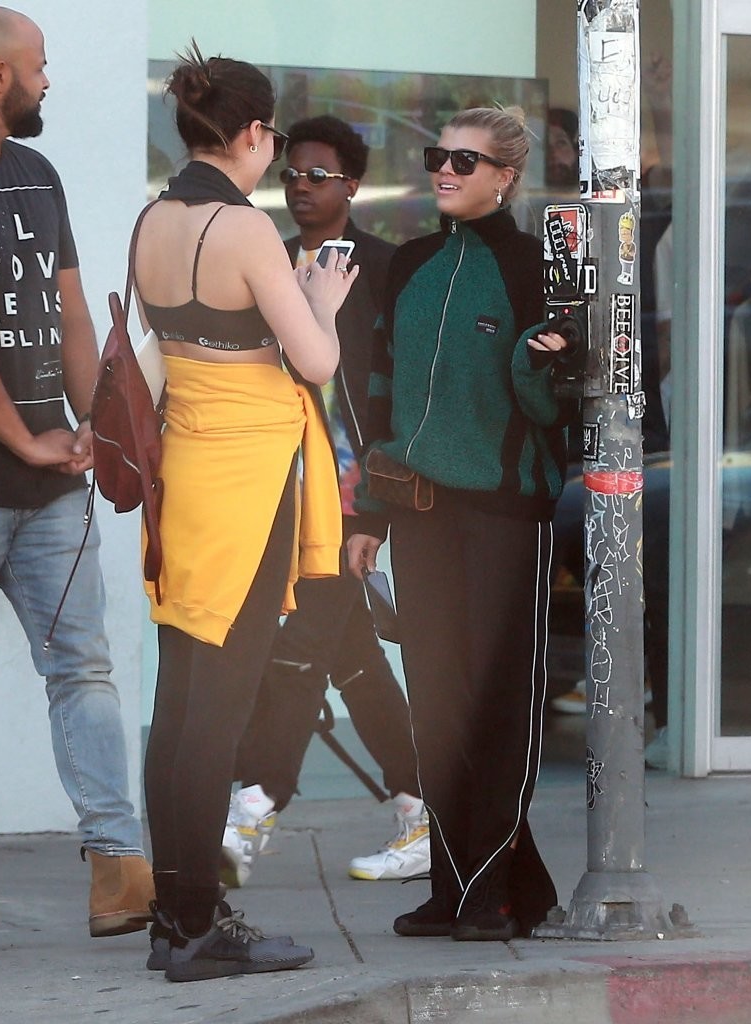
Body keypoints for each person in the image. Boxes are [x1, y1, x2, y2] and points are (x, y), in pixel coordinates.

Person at [134, 47, 357, 983]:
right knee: (217, 714)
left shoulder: (153, 218)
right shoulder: (247, 228)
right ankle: (196, 926)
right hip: (251, 484)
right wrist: (322, 299)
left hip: (183, 478)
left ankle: (172, 916)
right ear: (256, 133)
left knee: (179, 703)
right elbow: (316, 361)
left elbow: (161, 349)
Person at [0, 5, 155, 955]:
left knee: (84, 670)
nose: (48, 79)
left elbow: (70, 311)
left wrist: (90, 427)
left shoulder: (37, 173)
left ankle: (120, 869)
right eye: (38, 64)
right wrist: (24, 440)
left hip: (53, 492)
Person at [347, 107, 573, 942]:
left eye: (465, 161)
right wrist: (369, 514)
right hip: (420, 514)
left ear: (505, 176)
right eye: (437, 156)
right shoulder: (410, 263)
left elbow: (553, 408)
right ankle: (455, 886)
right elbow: (381, 392)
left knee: (498, 705)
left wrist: (537, 361)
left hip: (506, 512)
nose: (444, 170)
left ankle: (494, 892)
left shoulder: (532, 268)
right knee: (437, 705)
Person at [224, 115, 428, 887]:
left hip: (351, 497)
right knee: (353, 660)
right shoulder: (269, 264)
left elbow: (398, 394)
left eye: (318, 175)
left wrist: (376, 511)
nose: (301, 187)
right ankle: (421, 808)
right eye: (292, 175)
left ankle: (253, 808)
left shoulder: (387, 270)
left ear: (352, 185)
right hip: (280, 491)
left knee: (300, 648)